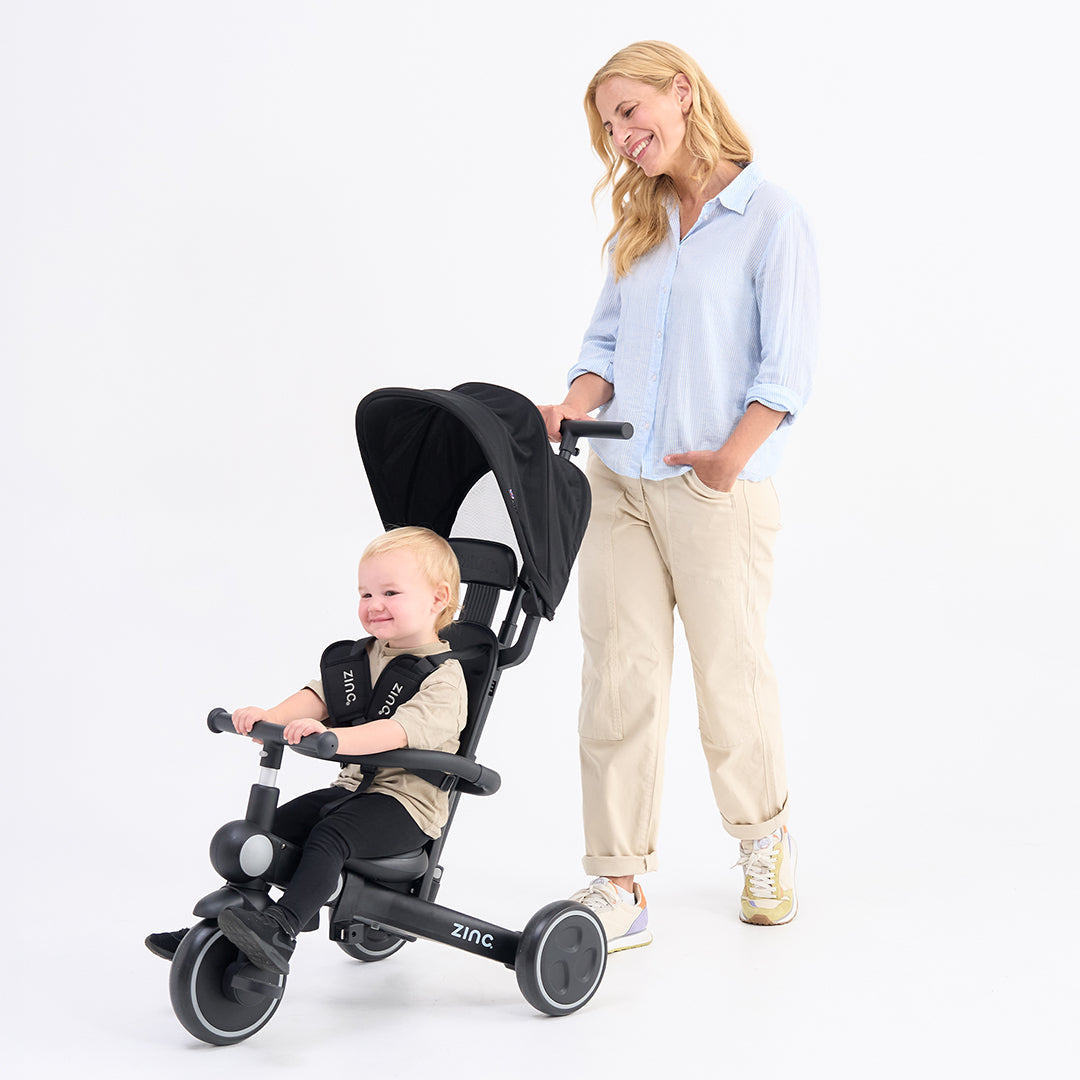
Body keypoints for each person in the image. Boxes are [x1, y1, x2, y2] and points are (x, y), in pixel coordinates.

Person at [539, 41, 819, 950]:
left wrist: (730, 461)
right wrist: (569, 405)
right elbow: (603, 347)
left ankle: (763, 839)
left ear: (683, 92)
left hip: (715, 494)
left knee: (728, 684)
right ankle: (616, 882)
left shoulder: (770, 217)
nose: (621, 137)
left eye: (630, 112)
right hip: (616, 482)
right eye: (609, 125)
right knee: (616, 681)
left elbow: (787, 370)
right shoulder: (641, 220)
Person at [145, 526, 468, 974]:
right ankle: (225, 922)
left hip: (406, 807)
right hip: (352, 790)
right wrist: (270, 717)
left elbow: (395, 732)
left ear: (437, 599)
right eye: (365, 593)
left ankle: (280, 930)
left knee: (330, 837)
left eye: (390, 592)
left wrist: (333, 739)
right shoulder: (366, 656)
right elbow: (321, 696)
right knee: (268, 832)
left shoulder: (444, 679)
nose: (374, 605)